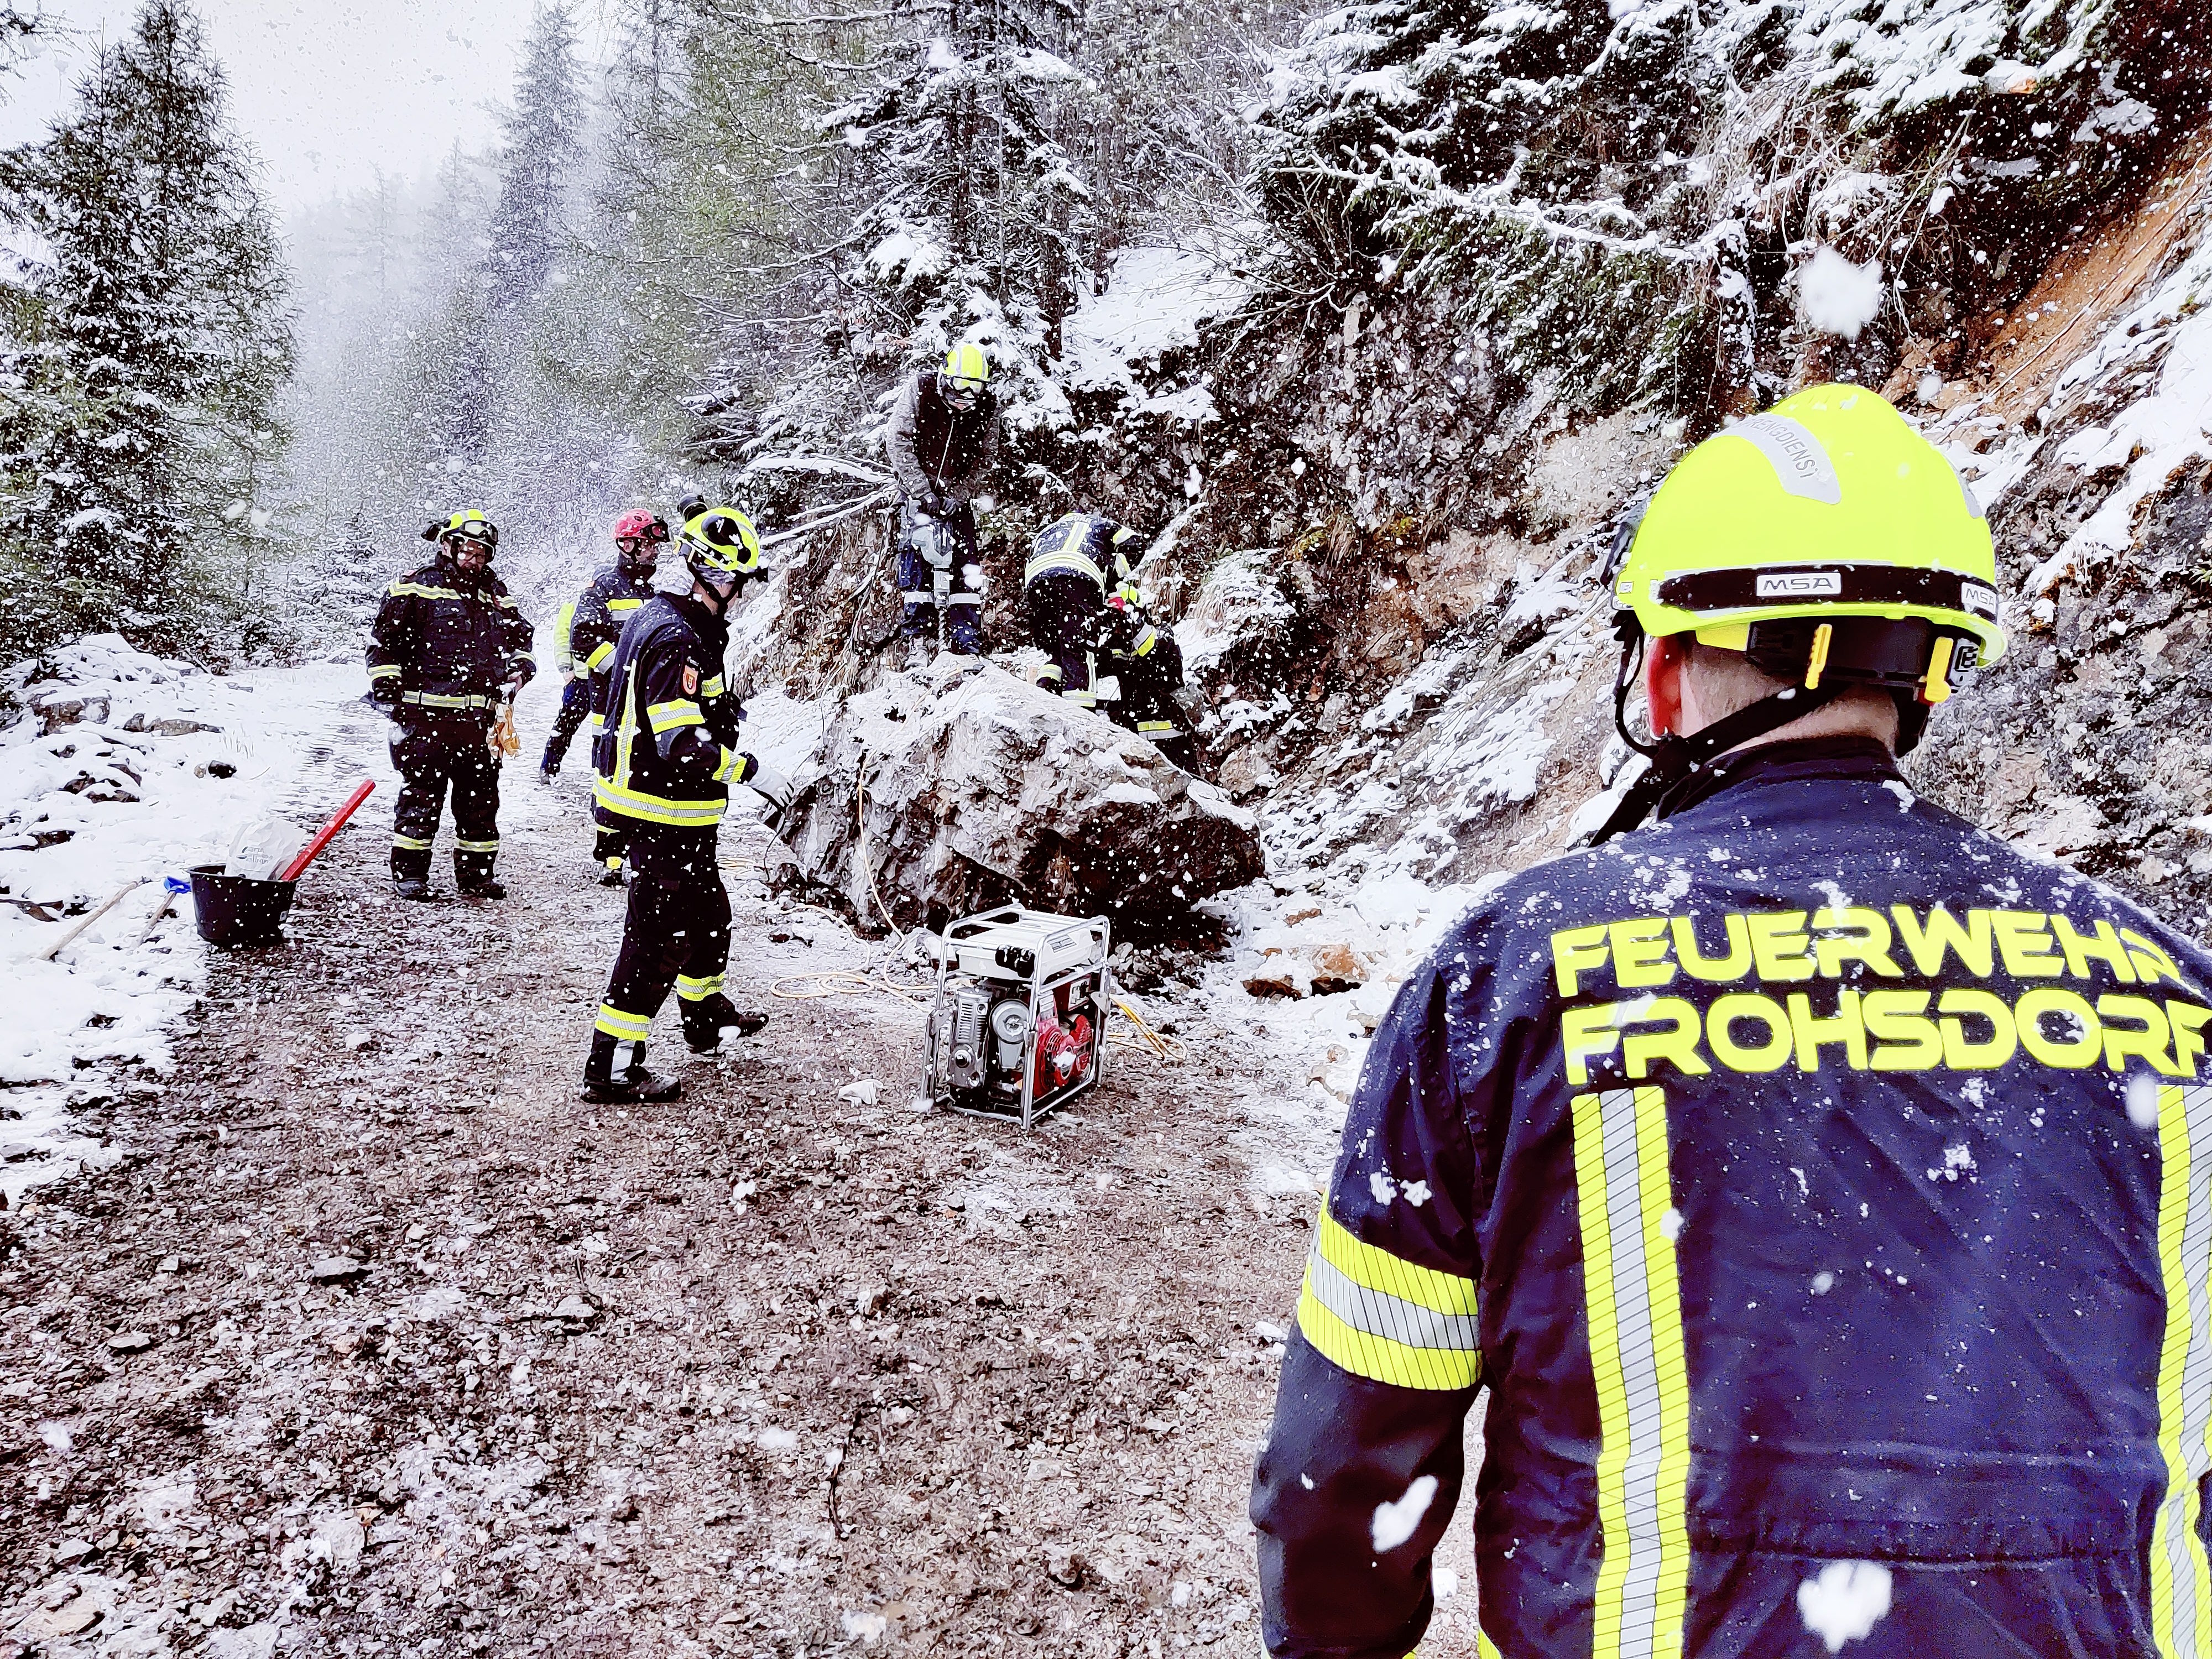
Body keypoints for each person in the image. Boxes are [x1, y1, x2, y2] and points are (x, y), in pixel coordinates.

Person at [1249, 385, 2212, 1657]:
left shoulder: (1519, 973)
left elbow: (1342, 1473)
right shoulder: (2167, 986)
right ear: (1925, 670)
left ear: (1660, 664)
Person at [582, 503, 791, 1104]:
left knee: (708, 918)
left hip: (682, 812)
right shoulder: (676, 636)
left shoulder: (682, 623)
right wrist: (749, 770)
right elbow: (682, 742)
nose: (742, 594)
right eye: (738, 583)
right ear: (714, 578)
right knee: (655, 941)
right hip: (660, 808)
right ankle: (613, 1067)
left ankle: (705, 1019)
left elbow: (711, 713)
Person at [367, 509, 534, 901]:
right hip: (427, 718)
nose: (476, 560)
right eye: (469, 551)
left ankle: (476, 877)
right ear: (448, 545)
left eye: (483, 553)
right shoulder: (416, 587)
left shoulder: (495, 593)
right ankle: (411, 875)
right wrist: (390, 691)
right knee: (421, 797)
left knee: (481, 801)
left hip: (480, 720)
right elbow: (383, 646)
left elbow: (520, 641)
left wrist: (521, 670)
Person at [1024, 512, 1197, 770]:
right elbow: (1135, 543)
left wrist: (1127, 623)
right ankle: (1078, 726)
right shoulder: (1103, 529)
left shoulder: (1054, 530)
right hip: (1078, 575)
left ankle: (1044, 700)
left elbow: (1159, 658)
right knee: (1079, 651)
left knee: (1062, 653)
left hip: (1037, 581)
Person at [567, 509, 670, 879]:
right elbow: (582, 638)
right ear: (627, 545)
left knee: (638, 778)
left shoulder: (653, 595)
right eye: (648, 544)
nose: (654, 551)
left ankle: (635, 851)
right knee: (609, 778)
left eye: (656, 545)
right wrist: (624, 672)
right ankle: (611, 858)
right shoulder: (604, 588)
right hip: (611, 709)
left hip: (643, 710)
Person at [886, 342, 998, 662]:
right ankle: (918, 641)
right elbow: (897, 439)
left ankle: (966, 642)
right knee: (916, 560)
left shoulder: (988, 407)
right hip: (916, 493)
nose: (963, 404)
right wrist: (922, 491)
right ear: (946, 380)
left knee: (967, 566)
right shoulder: (921, 390)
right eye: (958, 395)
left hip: (955, 498)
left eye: (970, 398)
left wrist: (958, 495)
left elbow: (985, 457)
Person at [537, 593, 588, 783]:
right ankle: (548, 768)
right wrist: (566, 668)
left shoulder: (616, 604)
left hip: (609, 679)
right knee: (565, 725)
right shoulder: (575, 604)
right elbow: (562, 635)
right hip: (581, 679)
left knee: (609, 731)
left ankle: (606, 774)